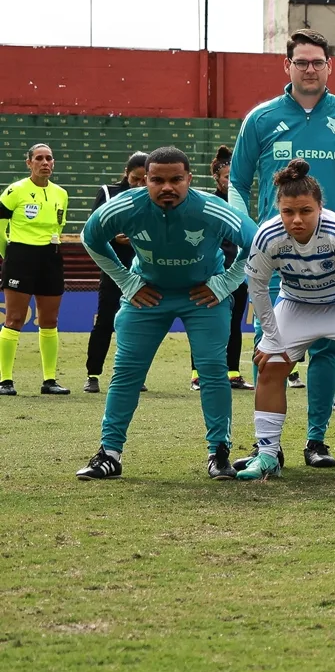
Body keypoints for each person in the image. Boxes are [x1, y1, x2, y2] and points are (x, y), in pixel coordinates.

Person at [231, 28, 335, 470]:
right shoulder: (261, 118)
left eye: (317, 62)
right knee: (268, 347)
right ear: (287, 65)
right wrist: (250, 231)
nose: (309, 69)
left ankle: (317, 440)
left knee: (329, 350)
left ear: (330, 67)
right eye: (301, 62)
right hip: (281, 260)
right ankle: (267, 448)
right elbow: (237, 182)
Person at [76, 147, 255, 480]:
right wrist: (127, 281)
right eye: (157, 180)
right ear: (145, 180)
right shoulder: (126, 205)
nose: (167, 187)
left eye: (176, 179)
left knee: (213, 371)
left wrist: (225, 283)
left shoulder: (212, 208)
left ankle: (219, 452)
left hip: (203, 296)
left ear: (189, 179)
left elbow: (256, 241)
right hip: (148, 294)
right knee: (126, 371)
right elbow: (91, 237)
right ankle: (109, 454)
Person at [234, 161, 335, 480]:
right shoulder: (267, 235)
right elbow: (258, 287)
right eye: (288, 212)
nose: (296, 219)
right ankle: (268, 455)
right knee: (271, 364)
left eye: (305, 211)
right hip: (298, 302)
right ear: (279, 210)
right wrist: (271, 337)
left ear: (319, 208)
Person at [1, 143, 70, 396]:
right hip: (20, 257)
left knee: (49, 320)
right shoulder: (15, 191)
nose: (45, 163)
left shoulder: (61, 193)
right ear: (29, 163)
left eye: (49, 158)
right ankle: (5, 381)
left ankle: (49, 380)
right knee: (14, 319)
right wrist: (8, 256)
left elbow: (59, 227)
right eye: (39, 158)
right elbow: (0, 227)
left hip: (50, 257)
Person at [84, 152, 147, 393]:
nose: (139, 184)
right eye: (135, 178)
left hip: (143, 270)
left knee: (138, 324)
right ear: (126, 173)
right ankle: (93, 375)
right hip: (114, 268)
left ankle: (135, 375)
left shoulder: (154, 196)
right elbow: (94, 228)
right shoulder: (108, 192)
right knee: (105, 321)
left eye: (144, 179)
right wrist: (113, 237)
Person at [205, 147, 254, 392]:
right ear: (217, 177)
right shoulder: (209, 204)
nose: (231, 182)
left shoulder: (241, 204)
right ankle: (199, 375)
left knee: (235, 324)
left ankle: (233, 373)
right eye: (227, 177)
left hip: (238, 274)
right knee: (208, 324)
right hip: (214, 274)